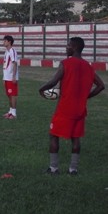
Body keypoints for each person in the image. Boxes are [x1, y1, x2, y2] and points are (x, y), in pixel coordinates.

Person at [39, 37, 105, 175]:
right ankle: (73, 170)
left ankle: (53, 168)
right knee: (76, 139)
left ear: (74, 47)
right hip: (80, 110)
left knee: (53, 136)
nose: (66, 48)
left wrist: (41, 89)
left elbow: (53, 81)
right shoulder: (88, 66)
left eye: (68, 45)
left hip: (64, 108)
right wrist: (85, 96)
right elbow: (101, 86)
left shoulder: (66, 63)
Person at [2, 35, 19, 119]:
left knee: (13, 95)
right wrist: (3, 77)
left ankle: (14, 113)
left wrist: (14, 76)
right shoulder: (6, 52)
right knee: (9, 94)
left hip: (11, 77)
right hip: (6, 77)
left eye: (5, 41)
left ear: (9, 42)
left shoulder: (12, 51)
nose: (3, 42)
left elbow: (15, 63)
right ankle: (10, 111)